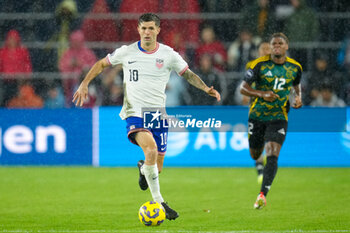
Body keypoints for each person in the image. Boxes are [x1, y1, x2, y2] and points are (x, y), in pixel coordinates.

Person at [72, 13, 221, 220]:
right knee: (150, 149)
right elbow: (101, 64)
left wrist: (206, 88)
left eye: (151, 28)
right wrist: (84, 83)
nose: (147, 32)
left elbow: (187, 73)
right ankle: (160, 203)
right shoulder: (127, 52)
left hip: (157, 115)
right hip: (134, 113)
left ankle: (144, 168)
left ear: (158, 30)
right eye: (144, 28)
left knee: (156, 168)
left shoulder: (168, 54)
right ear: (138, 29)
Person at [240, 33, 302, 209]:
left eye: (279, 43)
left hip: (279, 117)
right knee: (255, 153)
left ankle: (262, 195)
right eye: (272, 44)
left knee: (273, 152)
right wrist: (262, 94)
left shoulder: (295, 67)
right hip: (257, 115)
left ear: (286, 46)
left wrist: (298, 97)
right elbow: (243, 88)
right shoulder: (257, 65)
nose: (275, 46)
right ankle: (259, 165)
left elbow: (297, 85)